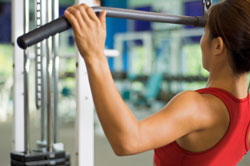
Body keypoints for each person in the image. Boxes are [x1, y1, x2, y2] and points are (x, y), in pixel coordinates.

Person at [64, 0, 250, 165]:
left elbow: (128, 141)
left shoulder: (197, 106)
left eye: (204, 32)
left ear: (218, 46)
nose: (201, 41)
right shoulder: (246, 110)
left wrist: (95, 56)